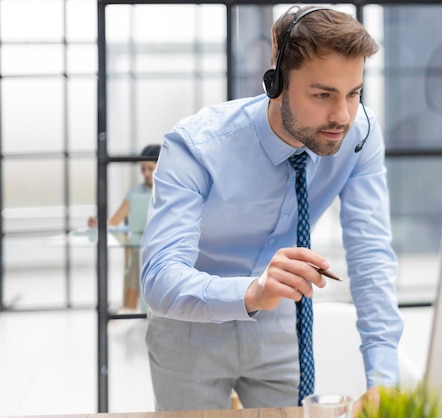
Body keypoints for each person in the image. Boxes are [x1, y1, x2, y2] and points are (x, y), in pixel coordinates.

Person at [140, 6, 404, 411]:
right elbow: (159, 278)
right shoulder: (197, 145)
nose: (343, 116)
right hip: (188, 325)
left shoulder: (359, 137)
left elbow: (370, 257)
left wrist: (383, 378)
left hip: (281, 320)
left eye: (354, 93)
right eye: (322, 95)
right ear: (276, 81)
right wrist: (253, 290)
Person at [89, 143, 161, 311]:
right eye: (143, 169)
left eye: (150, 169)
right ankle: (132, 308)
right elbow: (114, 221)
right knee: (136, 253)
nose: (146, 174)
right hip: (139, 245)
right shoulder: (136, 191)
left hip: (162, 245)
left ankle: (133, 307)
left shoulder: (173, 190)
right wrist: (98, 224)